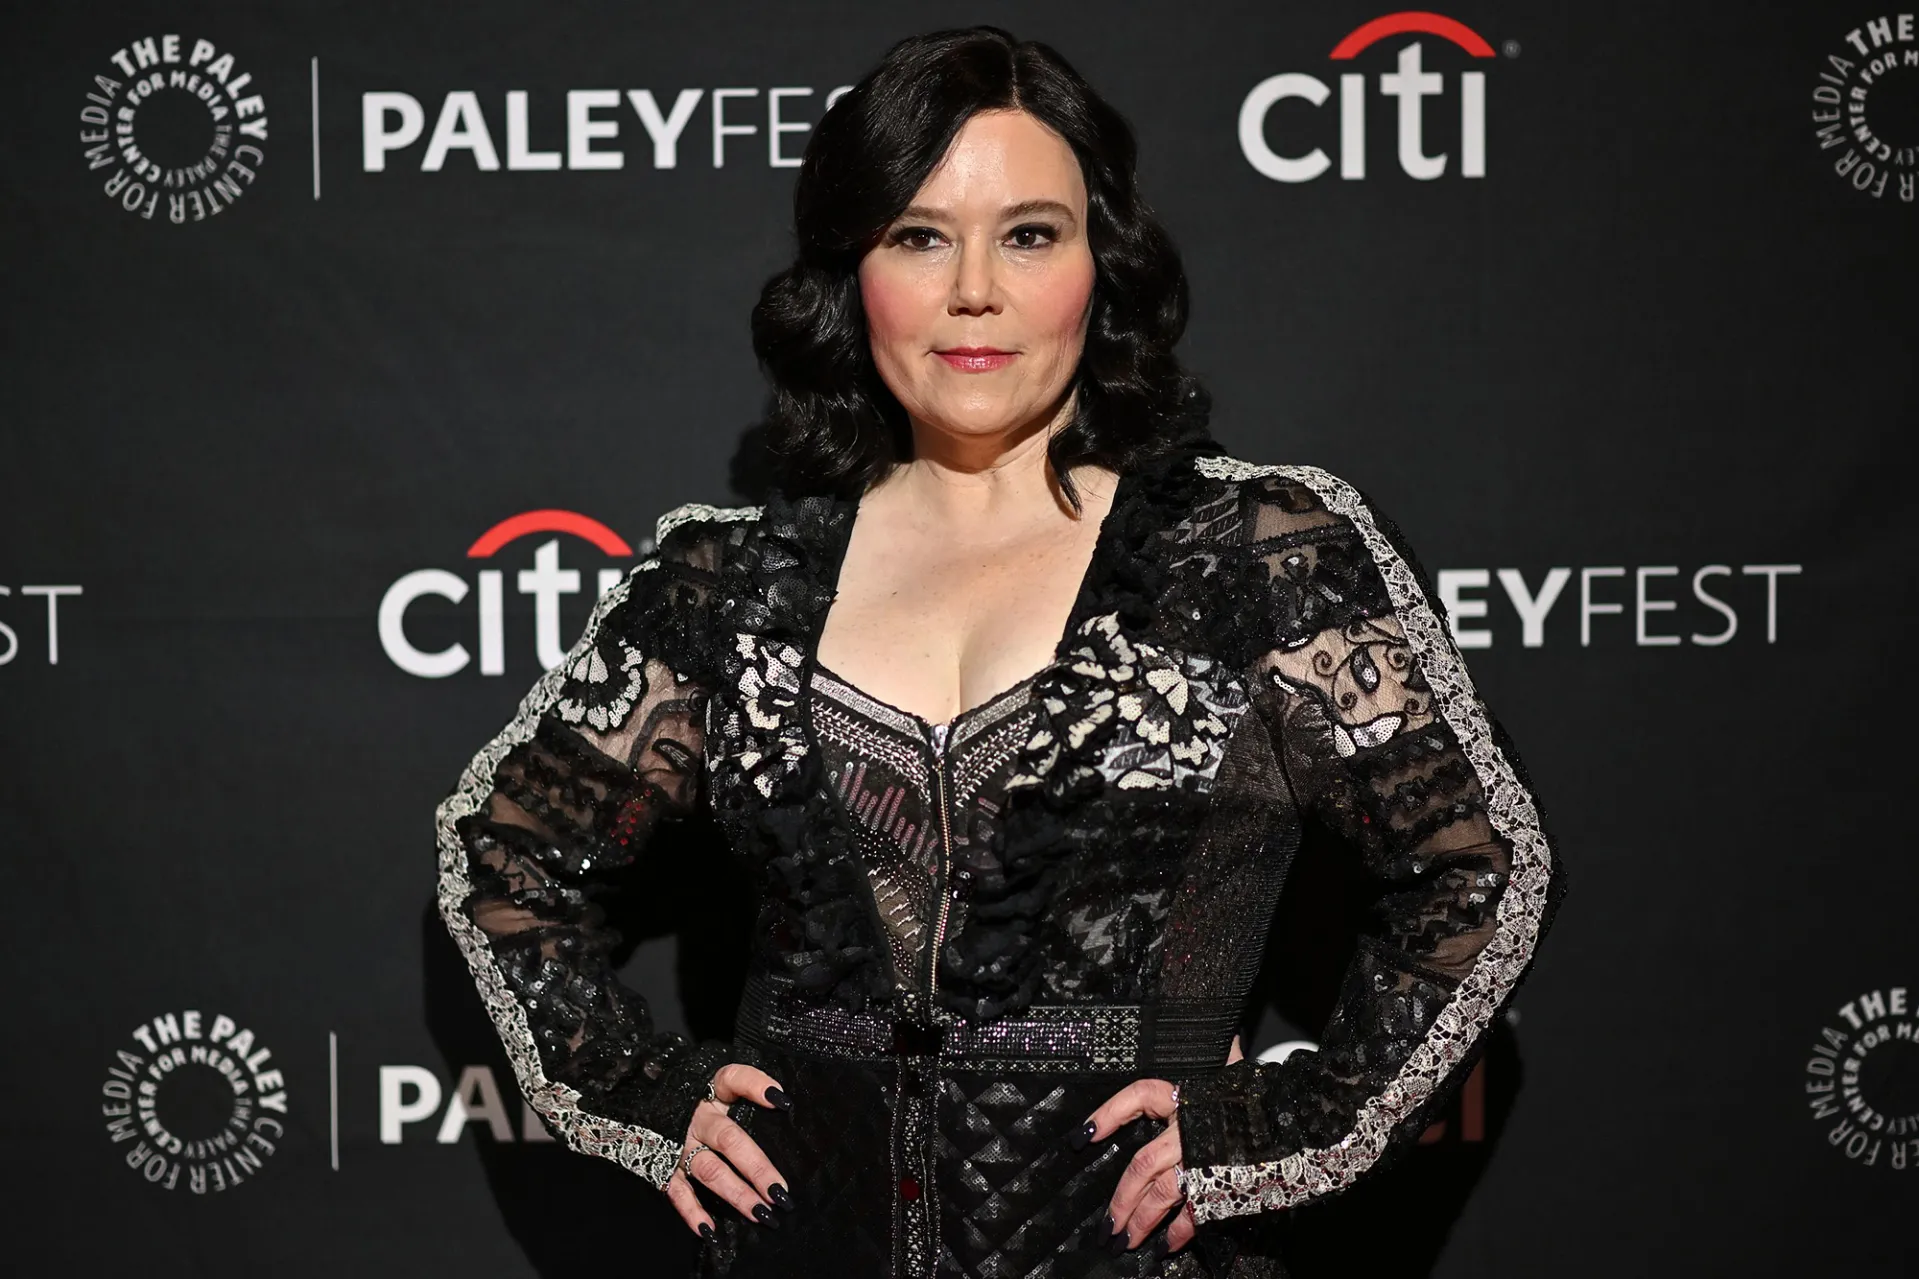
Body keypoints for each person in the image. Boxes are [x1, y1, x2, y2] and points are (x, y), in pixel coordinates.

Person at [434, 25, 1564, 1279]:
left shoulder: (1246, 558)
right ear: (852, 270)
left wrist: (1282, 1127)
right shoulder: (732, 582)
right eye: (918, 236)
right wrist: (643, 1093)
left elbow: (1479, 866)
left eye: (1028, 234)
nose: (974, 289)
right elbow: (505, 855)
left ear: (1101, 264)